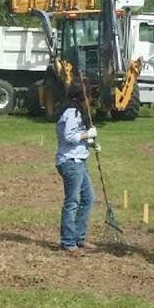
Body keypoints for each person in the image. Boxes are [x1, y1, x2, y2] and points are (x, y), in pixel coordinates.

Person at [55, 82, 99, 256]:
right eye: (89, 96)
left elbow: (77, 137)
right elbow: (69, 136)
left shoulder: (78, 112)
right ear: (83, 96)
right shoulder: (71, 112)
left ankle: (79, 237)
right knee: (72, 201)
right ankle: (67, 241)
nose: (90, 100)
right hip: (70, 162)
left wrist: (90, 143)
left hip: (80, 160)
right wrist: (88, 135)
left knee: (88, 198)